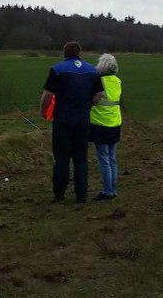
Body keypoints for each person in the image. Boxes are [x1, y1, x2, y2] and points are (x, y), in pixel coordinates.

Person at [40, 41, 104, 203]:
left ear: (65, 53)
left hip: (63, 120)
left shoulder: (57, 69)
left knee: (62, 158)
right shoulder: (92, 70)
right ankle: (81, 194)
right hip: (83, 120)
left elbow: (47, 95)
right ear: (79, 53)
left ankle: (59, 194)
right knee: (81, 158)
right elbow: (99, 94)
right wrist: (89, 104)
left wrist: (43, 112)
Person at [89, 53, 122, 201]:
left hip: (100, 123)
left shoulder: (98, 82)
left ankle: (107, 191)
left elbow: (93, 100)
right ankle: (113, 189)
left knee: (103, 159)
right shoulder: (117, 81)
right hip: (115, 122)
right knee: (112, 158)